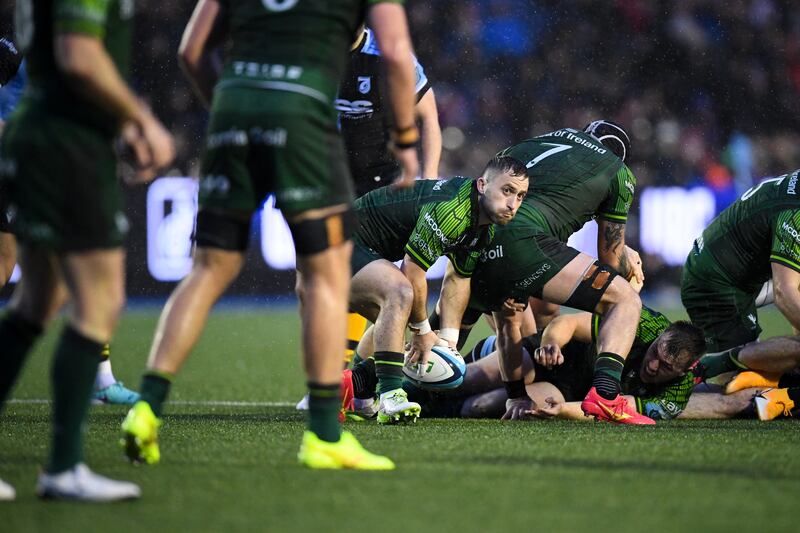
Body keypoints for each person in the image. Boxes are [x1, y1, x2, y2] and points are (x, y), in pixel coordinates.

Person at [121, 0, 419, 471]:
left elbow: (192, 50)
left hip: (233, 111)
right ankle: (323, 435)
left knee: (209, 269)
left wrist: (231, 108)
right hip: (303, 119)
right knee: (325, 275)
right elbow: (399, 54)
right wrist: (405, 140)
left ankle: (147, 407)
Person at [0, 0, 174, 501]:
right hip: (67, 143)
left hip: (40, 130)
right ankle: (63, 465)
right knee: (99, 299)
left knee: (36, 301)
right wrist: (140, 118)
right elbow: (78, 54)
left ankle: (64, 466)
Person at [436, 121, 650, 424]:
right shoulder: (618, 172)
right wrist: (628, 259)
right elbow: (610, 259)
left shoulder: (536, 143)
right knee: (624, 300)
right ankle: (606, 396)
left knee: (437, 341)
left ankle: (371, 383)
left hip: (482, 232)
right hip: (524, 242)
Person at [0, 30, 139, 407]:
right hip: (34, 156)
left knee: (37, 277)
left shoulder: (22, 39)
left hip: (35, 152)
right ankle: (96, 386)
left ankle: (101, 380)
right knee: (83, 277)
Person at [347, 156, 528, 424]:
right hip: (338, 242)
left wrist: (448, 342)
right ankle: (390, 395)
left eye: (521, 196)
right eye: (507, 190)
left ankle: (358, 393)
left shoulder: (482, 229)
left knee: (397, 317)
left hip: (360, 249)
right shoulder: (452, 211)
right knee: (400, 294)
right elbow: (412, 272)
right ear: (482, 185)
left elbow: (458, 279)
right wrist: (422, 331)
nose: (513, 204)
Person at [336, 24, 441, 368]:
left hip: (383, 185)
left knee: (370, 281)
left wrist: (430, 176)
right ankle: (346, 375)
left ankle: (352, 373)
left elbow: (428, 117)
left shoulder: (390, 56)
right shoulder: (312, 52)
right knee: (328, 280)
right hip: (328, 181)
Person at [682, 168, 800, 419]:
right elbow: (785, 293)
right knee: (735, 394)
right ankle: (649, 396)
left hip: (739, 278)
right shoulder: (794, 213)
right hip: (716, 286)